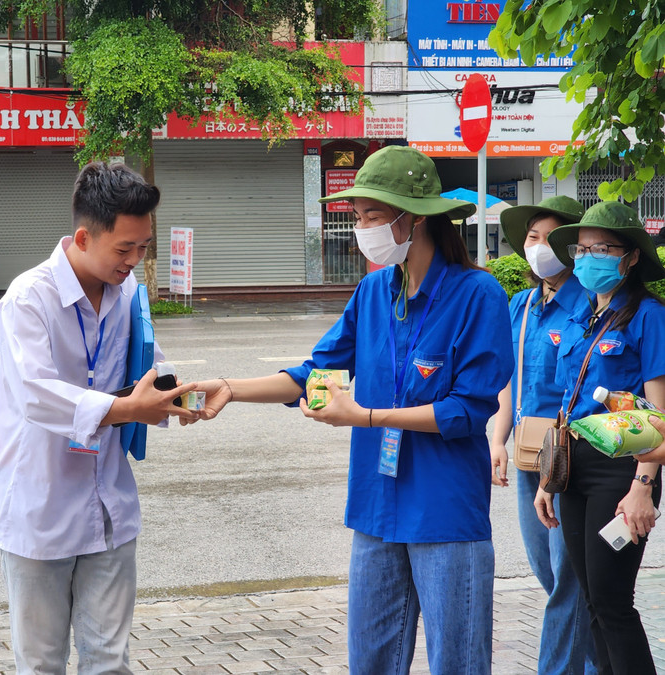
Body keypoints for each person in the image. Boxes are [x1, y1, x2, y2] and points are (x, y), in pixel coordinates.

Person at [191, 146, 514, 674]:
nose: (361, 227)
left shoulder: (478, 295)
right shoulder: (371, 291)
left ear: (413, 218)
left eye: (371, 216)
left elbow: (466, 412)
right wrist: (228, 387)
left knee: (458, 661)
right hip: (376, 507)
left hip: (445, 511)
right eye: (358, 216)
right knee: (370, 660)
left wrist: (364, 416)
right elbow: (313, 375)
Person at [0, 161, 199, 675]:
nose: (133, 261)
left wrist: (183, 395)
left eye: (143, 248)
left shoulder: (127, 292)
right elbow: (38, 395)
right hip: (41, 512)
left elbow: (146, 367)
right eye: (123, 249)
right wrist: (129, 409)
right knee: (41, 664)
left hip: (109, 509)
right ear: (84, 237)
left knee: (109, 661)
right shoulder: (28, 299)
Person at [539, 201, 665, 674]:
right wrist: (548, 478)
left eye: (603, 248)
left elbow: (658, 414)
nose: (589, 256)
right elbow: (566, 403)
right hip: (573, 468)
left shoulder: (649, 317)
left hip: (623, 472)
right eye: (583, 247)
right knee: (590, 602)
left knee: (613, 604)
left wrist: (643, 487)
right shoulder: (580, 318)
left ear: (631, 257)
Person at [490, 196, 598, 674]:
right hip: (530, 453)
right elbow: (507, 378)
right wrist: (497, 439)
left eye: (549, 238)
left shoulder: (590, 304)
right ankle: (601, 664)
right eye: (532, 237)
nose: (538, 246)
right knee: (550, 572)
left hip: (573, 457)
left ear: (572, 247)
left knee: (568, 582)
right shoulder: (522, 303)